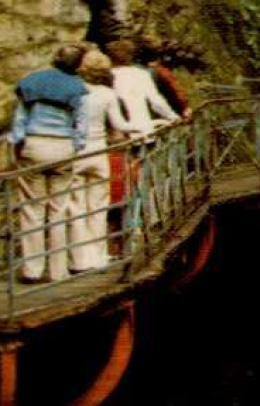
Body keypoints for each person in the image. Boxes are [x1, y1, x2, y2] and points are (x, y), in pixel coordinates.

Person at [10, 43, 89, 282]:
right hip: (62, 147)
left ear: (56, 58)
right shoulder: (78, 88)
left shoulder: (32, 82)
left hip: (34, 145)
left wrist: (17, 143)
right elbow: (81, 124)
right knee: (58, 210)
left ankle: (32, 270)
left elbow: (20, 119)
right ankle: (58, 271)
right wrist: (76, 147)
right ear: (77, 65)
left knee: (32, 209)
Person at [72, 50, 137, 272]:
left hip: (76, 153)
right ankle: (99, 257)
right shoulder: (108, 94)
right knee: (98, 208)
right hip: (99, 154)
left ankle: (79, 260)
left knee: (76, 207)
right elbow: (119, 124)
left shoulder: (73, 92)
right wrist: (142, 126)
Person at [105, 39, 179, 135]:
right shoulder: (141, 74)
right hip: (145, 129)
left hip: (121, 132)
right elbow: (157, 102)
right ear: (131, 56)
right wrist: (173, 117)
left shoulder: (108, 77)